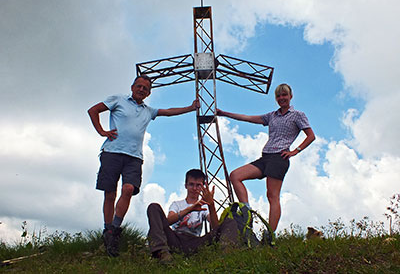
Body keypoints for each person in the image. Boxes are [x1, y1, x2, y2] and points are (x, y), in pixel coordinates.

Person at [88, 74, 199, 257]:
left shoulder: (148, 111)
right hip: (112, 152)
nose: (141, 90)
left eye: (145, 89)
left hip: (134, 157)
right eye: (138, 86)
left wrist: (190, 107)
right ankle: (108, 231)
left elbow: (168, 111)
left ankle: (115, 230)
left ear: (148, 93)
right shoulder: (118, 99)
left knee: (129, 189)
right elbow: (93, 110)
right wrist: (101, 131)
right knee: (110, 193)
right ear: (132, 87)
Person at [216, 83, 315, 234]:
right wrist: (224, 113)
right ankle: (246, 211)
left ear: (290, 96)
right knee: (235, 175)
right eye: (279, 96)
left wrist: (295, 151)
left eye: (284, 95)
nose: (282, 98)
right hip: (265, 157)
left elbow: (311, 136)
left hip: (279, 157)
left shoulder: (297, 115)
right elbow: (248, 118)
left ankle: (270, 234)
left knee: (272, 195)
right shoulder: (272, 116)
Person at [147, 169, 239, 263]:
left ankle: (226, 255)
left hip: (195, 242)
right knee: (154, 207)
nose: (194, 188)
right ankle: (161, 252)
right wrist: (190, 209)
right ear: (186, 185)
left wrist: (211, 204)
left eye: (198, 185)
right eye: (191, 184)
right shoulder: (177, 204)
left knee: (230, 221)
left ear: (203, 187)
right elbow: (168, 221)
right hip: (175, 239)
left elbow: (215, 227)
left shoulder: (204, 207)